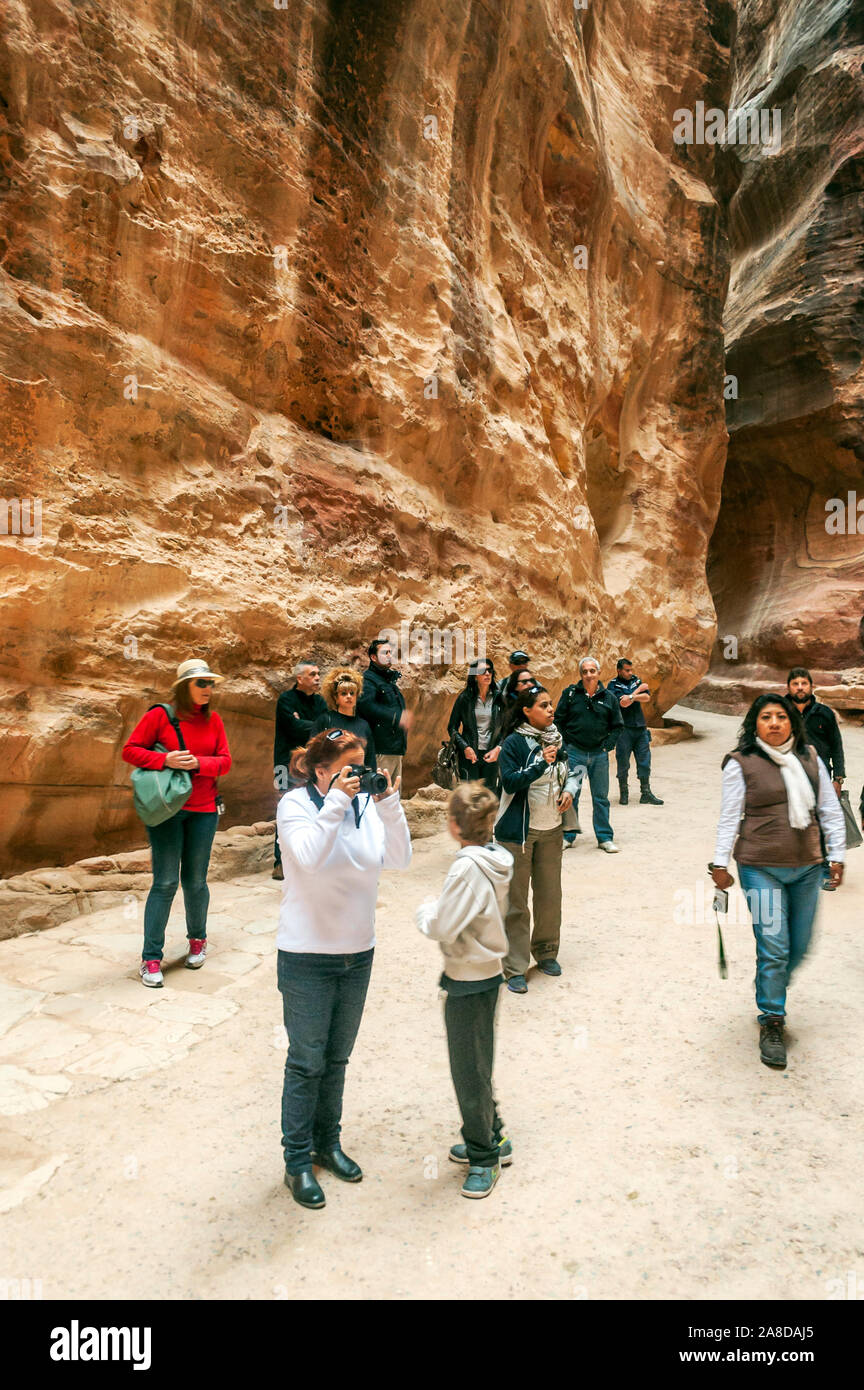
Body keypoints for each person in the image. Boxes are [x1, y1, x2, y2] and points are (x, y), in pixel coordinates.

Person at [276, 728, 411, 1209]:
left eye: (361, 766)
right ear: (320, 771)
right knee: (306, 1061)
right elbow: (309, 858)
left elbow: (399, 859)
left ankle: (327, 1145)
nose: (357, 777)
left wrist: (389, 804)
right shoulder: (295, 806)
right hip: (307, 955)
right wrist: (335, 801)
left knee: (336, 1060)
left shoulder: (367, 808)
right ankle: (296, 1162)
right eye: (348, 768)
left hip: (358, 952)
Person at [710, 694, 845, 1070]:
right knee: (774, 946)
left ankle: (769, 986)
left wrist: (838, 855)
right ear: (755, 724)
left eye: (780, 717)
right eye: (765, 717)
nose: (773, 723)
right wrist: (719, 865)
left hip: (807, 868)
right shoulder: (742, 763)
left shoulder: (809, 758)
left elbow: (829, 811)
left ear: (791, 723)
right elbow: (729, 817)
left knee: (798, 948)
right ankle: (772, 1019)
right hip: (760, 867)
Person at [416, 783, 514, 1199]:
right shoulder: (494, 858)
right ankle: (494, 1136)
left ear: (455, 826)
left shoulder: (466, 869)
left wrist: (424, 909)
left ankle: (484, 1157)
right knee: (479, 1059)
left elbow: (442, 925)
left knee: (468, 1071)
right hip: (485, 973)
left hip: (468, 978)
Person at [122, 658, 232, 987]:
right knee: (166, 883)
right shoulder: (160, 716)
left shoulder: (215, 721)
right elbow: (130, 750)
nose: (208, 689)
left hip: (204, 810)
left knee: (196, 881)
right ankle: (151, 958)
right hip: (168, 810)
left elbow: (225, 762)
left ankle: (197, 940)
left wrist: (198, 763)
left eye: (211, 683)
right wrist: (164, 759)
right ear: (185, 686)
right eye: (201, 683)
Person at [494, 684, 580, 993]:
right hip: (518, 834)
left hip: (551, 829)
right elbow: (511, 782)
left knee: (549, 896)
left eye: (551, 704)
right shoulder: (514, 743)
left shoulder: (556, 738)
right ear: (527, 711)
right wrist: (541, 762)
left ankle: (546, 952)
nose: (550, 709)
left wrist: (570, 790)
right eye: (543, 705)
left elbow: (574, 769)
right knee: (516, 903)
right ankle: (515, 966)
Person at [555, 656, 623, 853]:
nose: (588, 675)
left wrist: (607, 746)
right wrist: (565, 746)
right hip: (574, 753)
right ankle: (568, 835)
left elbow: (617, 726)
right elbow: (558, 720)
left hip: (599, 756)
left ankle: (604, 838)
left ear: (598, 673)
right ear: (581, 674)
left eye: (592, 671)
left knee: (600, 797)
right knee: (570, 796)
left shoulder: (609, 698)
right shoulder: (570, 695)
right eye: (585, 671)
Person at [786, 668, 846, 890]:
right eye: (795, 683)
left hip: (820, 777)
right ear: (789, 687)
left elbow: (837, 747)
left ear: (811, 686)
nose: (800, 687)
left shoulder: (824, 713)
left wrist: (838, 778)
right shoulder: (780, 710)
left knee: (820, 824)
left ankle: (822, 870)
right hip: (787, 775)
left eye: (804, 683)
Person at [272, 661, 328, 881]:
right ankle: (280, 862)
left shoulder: (320, 701)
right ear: (299, 678)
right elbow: (293, 728)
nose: (317, 678)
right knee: (283, 807)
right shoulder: (286, 700)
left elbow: (324, 727)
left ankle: (310, 856)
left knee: (314, 806)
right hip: (283, 763)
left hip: (312, 763)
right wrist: (315, 725)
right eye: (312, 674)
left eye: (318, 673)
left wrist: (305, 724)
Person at [607, 657, 663, 806]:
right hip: (624, 730)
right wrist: (637, 692)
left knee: (645, 761)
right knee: (623, 762)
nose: (630, 673)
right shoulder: (613, 685)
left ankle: (646, 793)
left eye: (631, 670)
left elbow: (646, 697)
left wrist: (632, 695)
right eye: (627, 670)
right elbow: (622, 703)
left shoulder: (635, 680)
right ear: (619, 671)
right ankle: (623, 793)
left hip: (640, 728)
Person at [357, 638, 413, 786]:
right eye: (385, 652)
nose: (389, 655)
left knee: (393, 797)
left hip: (394, 749)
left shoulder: (388, 682)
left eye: (390, 652)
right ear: (373, 657)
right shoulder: (368, 680)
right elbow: (366, 706)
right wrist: (396, 717)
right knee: (380, 796)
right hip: (380, 749)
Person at [446, 658, 506, 791]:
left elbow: (507, 729)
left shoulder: (499, 698)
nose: (487, 674)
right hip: (469, 757)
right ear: (474, 676)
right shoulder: (465, 698)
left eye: (490, 671)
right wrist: (465, 747)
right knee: (470, 797)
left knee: (488, 798)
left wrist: (498, 749)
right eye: (482, 671)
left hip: (491, 756)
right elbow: (452, 727)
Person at [313, 667, 377, 771]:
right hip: (330, 778)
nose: (349, 696)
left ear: (357, 696)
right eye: (343, 693)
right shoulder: (324, 720)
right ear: (336, 698)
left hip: (358, 780)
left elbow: (370, 760)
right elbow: (312, 754)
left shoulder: (364, 725)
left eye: (352, 693)